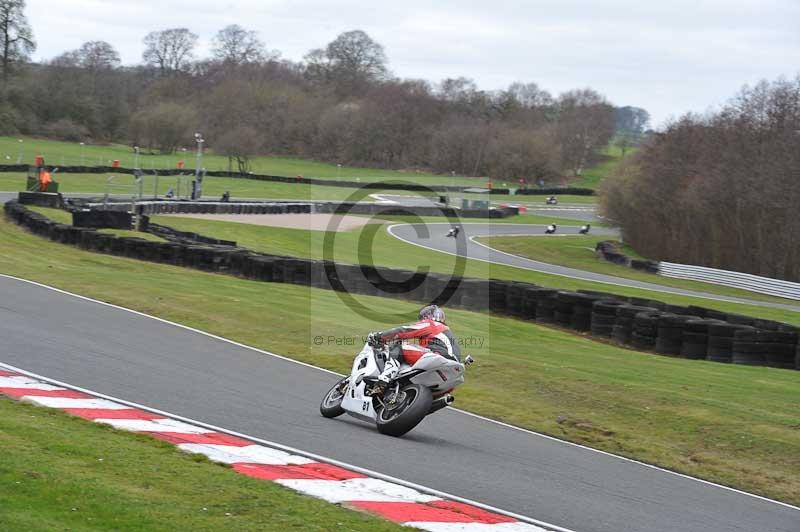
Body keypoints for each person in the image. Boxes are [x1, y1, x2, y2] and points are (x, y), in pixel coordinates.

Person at [368, 305, 460, 384]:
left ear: (426, 317)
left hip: (438, 357)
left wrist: (379, 336)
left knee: (399, 345)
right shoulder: (447, 332)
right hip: (454, 369)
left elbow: (404, 331)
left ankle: (386, 376)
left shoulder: (432, 324)